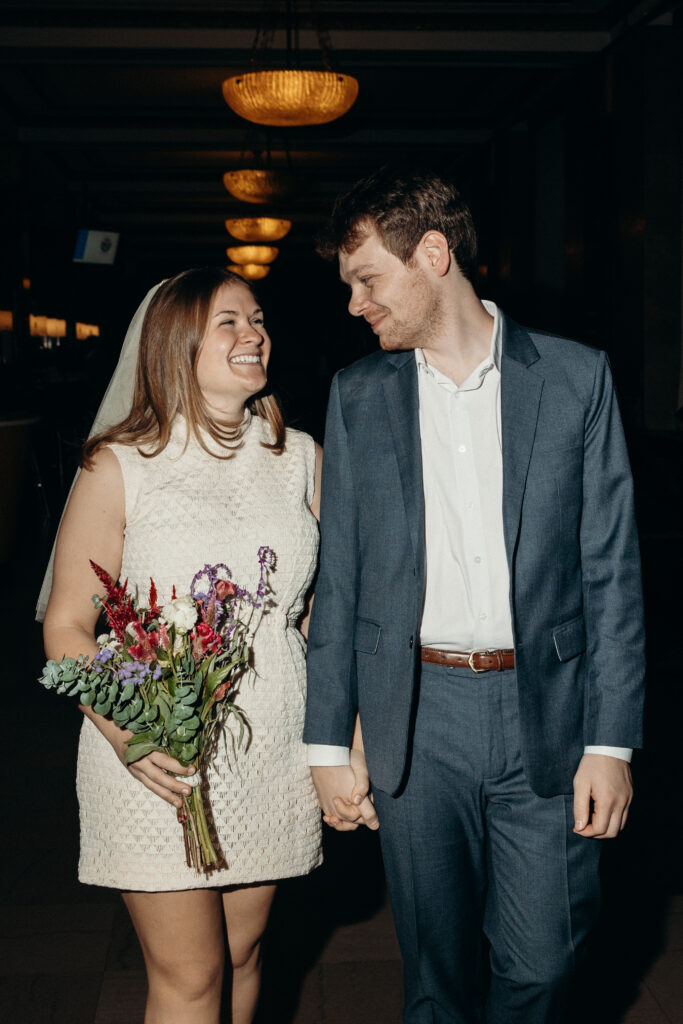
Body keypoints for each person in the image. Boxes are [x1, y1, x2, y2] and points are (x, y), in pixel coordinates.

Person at [303, 167, 645, 1023]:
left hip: (549, 709)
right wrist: (327, 743)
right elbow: (338, 577)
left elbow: (610, 572)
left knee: (544, 961)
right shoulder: (357, 396)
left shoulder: (574, 378)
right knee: (435, 972)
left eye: (367, 280)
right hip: (417, 716)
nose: (354, 304)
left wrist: (611, 742)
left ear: (432, 253)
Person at [42, 267, 322, 1024]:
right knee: (192, 975)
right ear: (177, 343)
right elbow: (66, 627)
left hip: (272, 748)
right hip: (155, 755)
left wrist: (343, 736)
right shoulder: (119, 465)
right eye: (228, 321)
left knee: (243, 954)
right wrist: (128, 731)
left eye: (257, 318)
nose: (253, 332)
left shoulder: (299, 457)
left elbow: (313, 619)